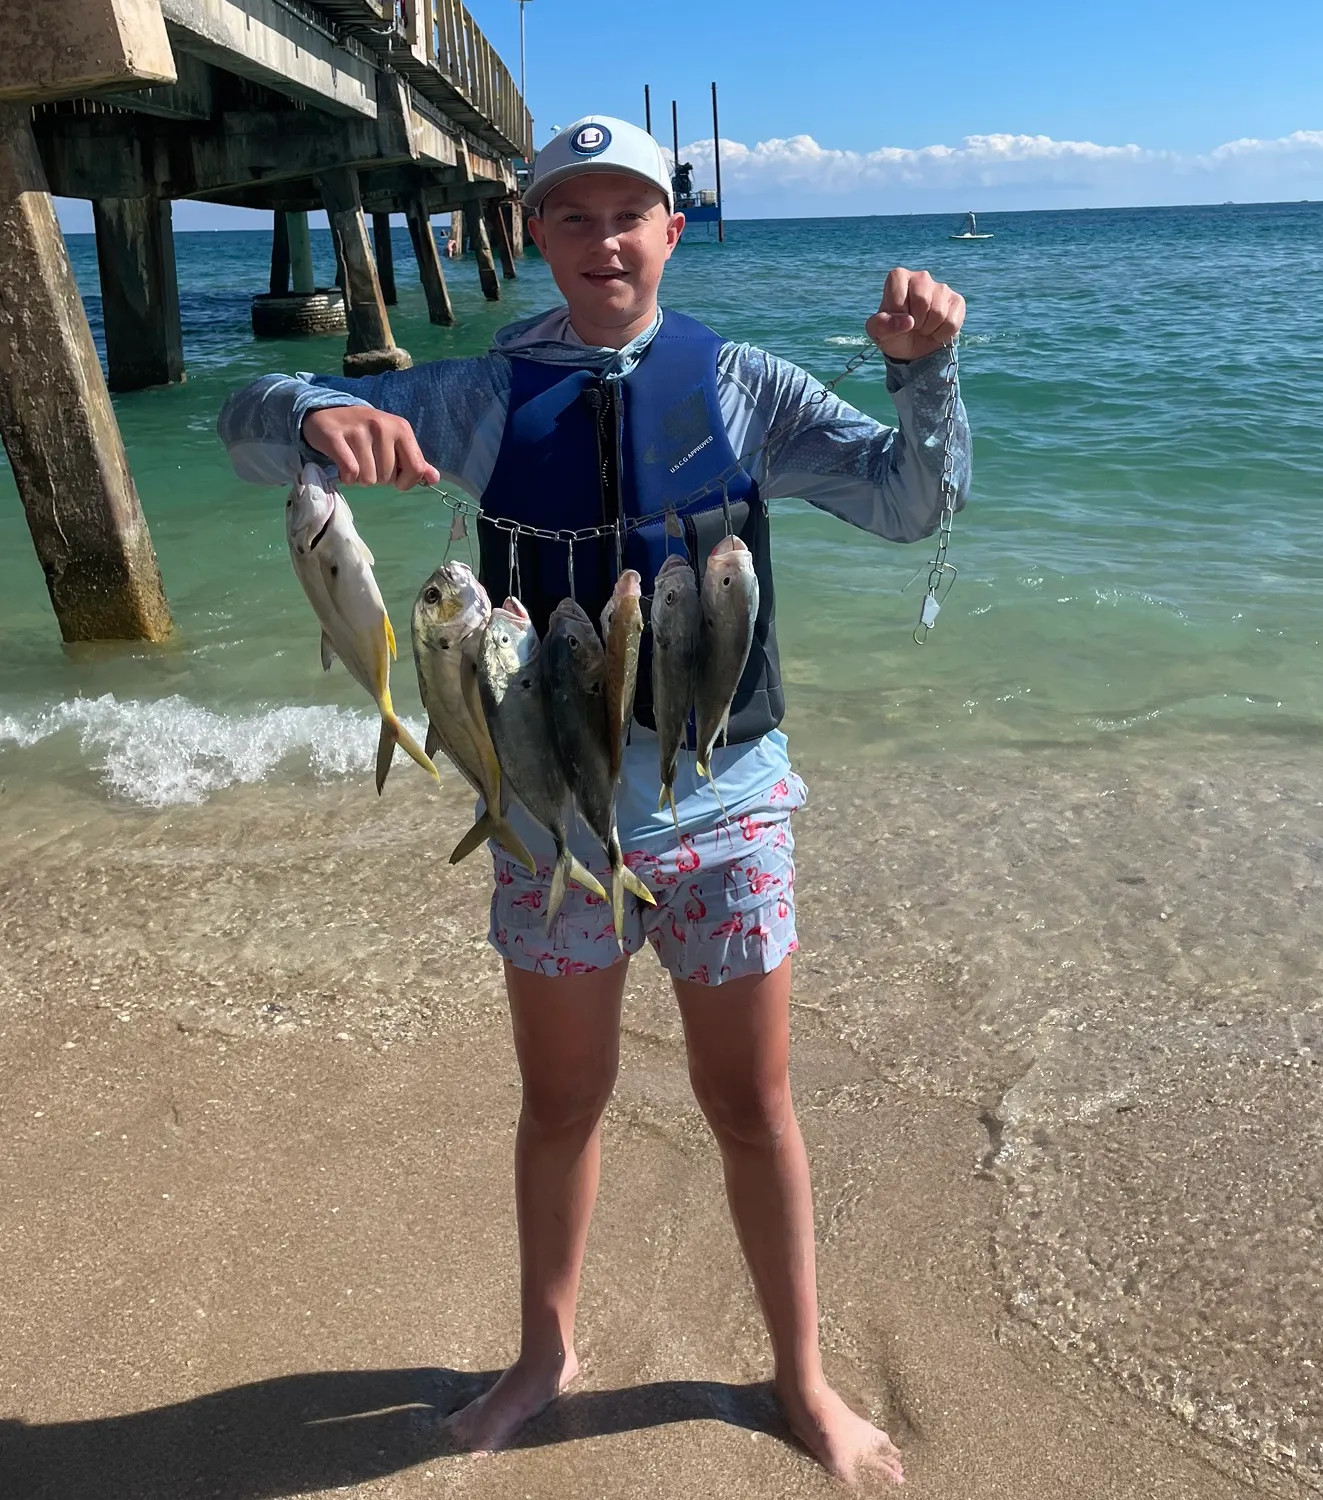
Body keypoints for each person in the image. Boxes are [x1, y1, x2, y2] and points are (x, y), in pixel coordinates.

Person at [218, 113, 969, 1488]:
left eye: (630, 214)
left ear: (672, 231)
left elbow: (914, 503)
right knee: (561, 1101)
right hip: (548, 815)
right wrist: (308, 410)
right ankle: (544, 1353)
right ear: (533, 235)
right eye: (572, 214)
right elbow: (250, 434)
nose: (603, 240)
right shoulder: (481, 400)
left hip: (729, 809)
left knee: (752, 1105)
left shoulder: (742, 386)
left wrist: (925, 377)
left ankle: (801, 1376)